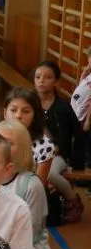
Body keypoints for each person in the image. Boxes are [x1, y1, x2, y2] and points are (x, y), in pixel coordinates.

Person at [0, 120, 58, 249]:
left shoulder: (31, 185)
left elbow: (31, 232)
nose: (1, 146)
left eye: (9, 143)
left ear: (22, 148)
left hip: (25, 248)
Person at [35, 62, 86, 219]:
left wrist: (77, 163)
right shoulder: (29, 104)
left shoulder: (63, 108)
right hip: (32, 151)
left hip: (58, 155)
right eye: (38, 77)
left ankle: (72, 199)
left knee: (50, 174)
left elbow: (78, 135)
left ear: (56, 81)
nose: (41, 81)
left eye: (48, 77)